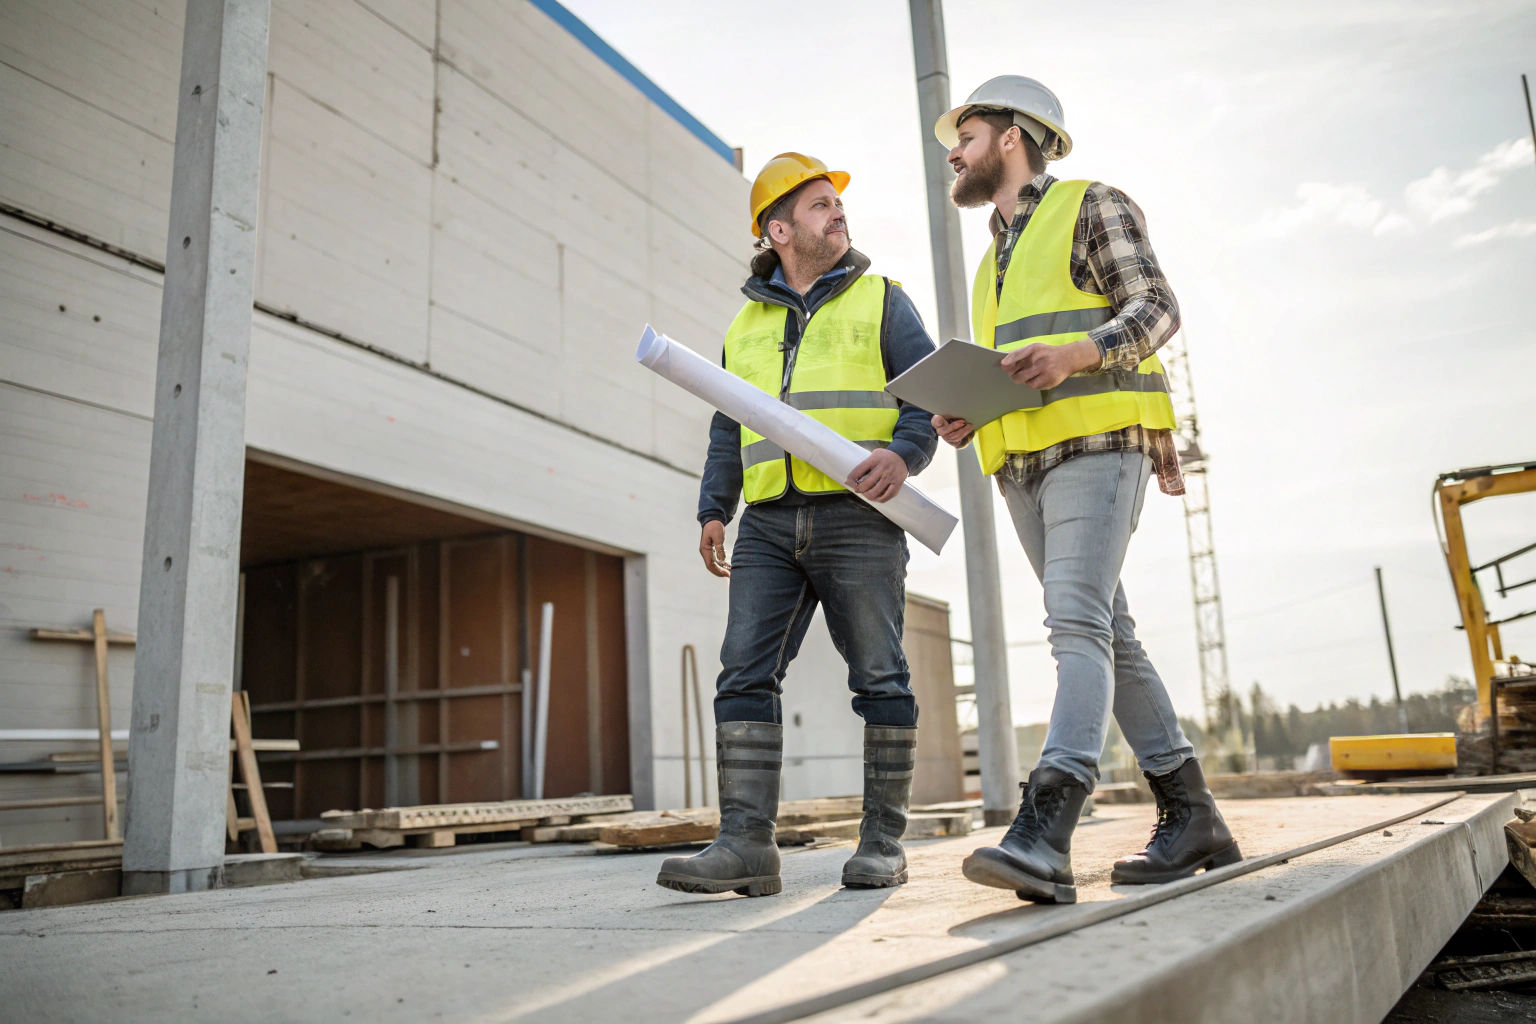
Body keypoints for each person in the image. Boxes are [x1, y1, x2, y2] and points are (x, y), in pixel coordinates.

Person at [928, 77, 1240, 904]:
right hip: (1021, 460)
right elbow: (1014, 365)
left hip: (1100, 446)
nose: (952, 153)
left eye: (964, 135)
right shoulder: (991, 257)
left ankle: (1047, 825)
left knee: (1074, 621)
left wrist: (1078, 353)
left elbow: (1156, 307)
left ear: (1012, 137)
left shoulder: (1090, 205)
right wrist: (966, 409)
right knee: (1112, 632)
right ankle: (1193, 814)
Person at [655, 153, 939, 898]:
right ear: (778, 229)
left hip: (859, 517)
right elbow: (728, 424)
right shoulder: (745, 324)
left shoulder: (884, 300)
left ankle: (883, 844)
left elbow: (928, 404)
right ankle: (747, 845)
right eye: (819, 206)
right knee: (743, 674)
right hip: (769, 524)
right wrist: (715, 507)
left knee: (879, 675)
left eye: (837, 204)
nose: (836, 214)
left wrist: (903, 456)